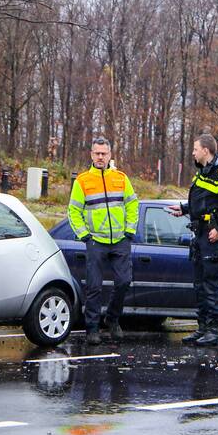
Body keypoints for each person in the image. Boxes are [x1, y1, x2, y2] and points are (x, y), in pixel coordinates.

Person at [167, 135, 218, 346]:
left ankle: (213, 331)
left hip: (211, 235)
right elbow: (204, 202)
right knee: (199, 283)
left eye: (195, 149)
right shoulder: (203, 171)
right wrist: (184, 209)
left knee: (211, 283)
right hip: (199, 232)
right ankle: (202, 328)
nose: (193, 153)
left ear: (206, 150)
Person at [68, 137, 139, 345]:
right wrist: (85, 236)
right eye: (97, 153)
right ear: (91, 154)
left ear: (110, 155)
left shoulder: (121, 178)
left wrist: (129, 231)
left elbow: (133, 205)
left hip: (120, 240)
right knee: (94, 286)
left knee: (124, 281)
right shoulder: (82, 181)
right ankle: (92, 328)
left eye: (104, 153)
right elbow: (73, 210)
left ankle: (113, 318)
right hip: (96, 241)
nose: (100, 157)